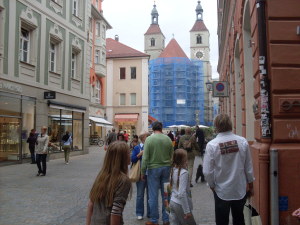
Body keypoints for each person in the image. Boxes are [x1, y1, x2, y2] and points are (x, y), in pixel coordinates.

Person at [203, 114, 255, 225]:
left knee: (222, 221)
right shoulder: (242, 141)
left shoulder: (212, 145)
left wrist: (212, 185)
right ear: (230, 124)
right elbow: (248, 167)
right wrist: (251, 185)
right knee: (239, 219)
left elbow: (207, 171)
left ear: (216, 126)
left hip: (221, 189)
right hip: (239, 188)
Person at [86, 141, 131, 225]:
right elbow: (115, 212)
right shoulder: (123, 180)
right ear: (122, 158)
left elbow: (90, 204)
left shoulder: (102, 176)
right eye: (128, 153)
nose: (130, 156)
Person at [141, 121, 173, 225]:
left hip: (153, 169)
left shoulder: (149, 139)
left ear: (153, 128)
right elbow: (171, 155)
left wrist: (142, 171)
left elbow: (145, 158)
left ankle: (154, 220)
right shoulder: (168, 139)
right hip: (166, 168)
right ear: (161, 128)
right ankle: (166, 219)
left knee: (153, 195)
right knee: (166, 194)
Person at [169, 149, 196, 225]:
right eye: (186, 159)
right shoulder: (184, 173)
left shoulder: (172, 170)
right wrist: (187, 211)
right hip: (180, 204)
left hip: (172, 202)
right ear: (182, 161)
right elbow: (182, 193)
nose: (187, 161)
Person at [131, 133, 151, 220]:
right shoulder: (137, 147)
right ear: (142, 138)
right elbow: (132, 159)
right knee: (140, 195)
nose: (150, 138)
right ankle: (139, 213)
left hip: (150, 174)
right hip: (140, 174)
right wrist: (140, 154)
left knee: (150, 195)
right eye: (148, 137)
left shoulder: (151, 147)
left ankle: (150, 213)